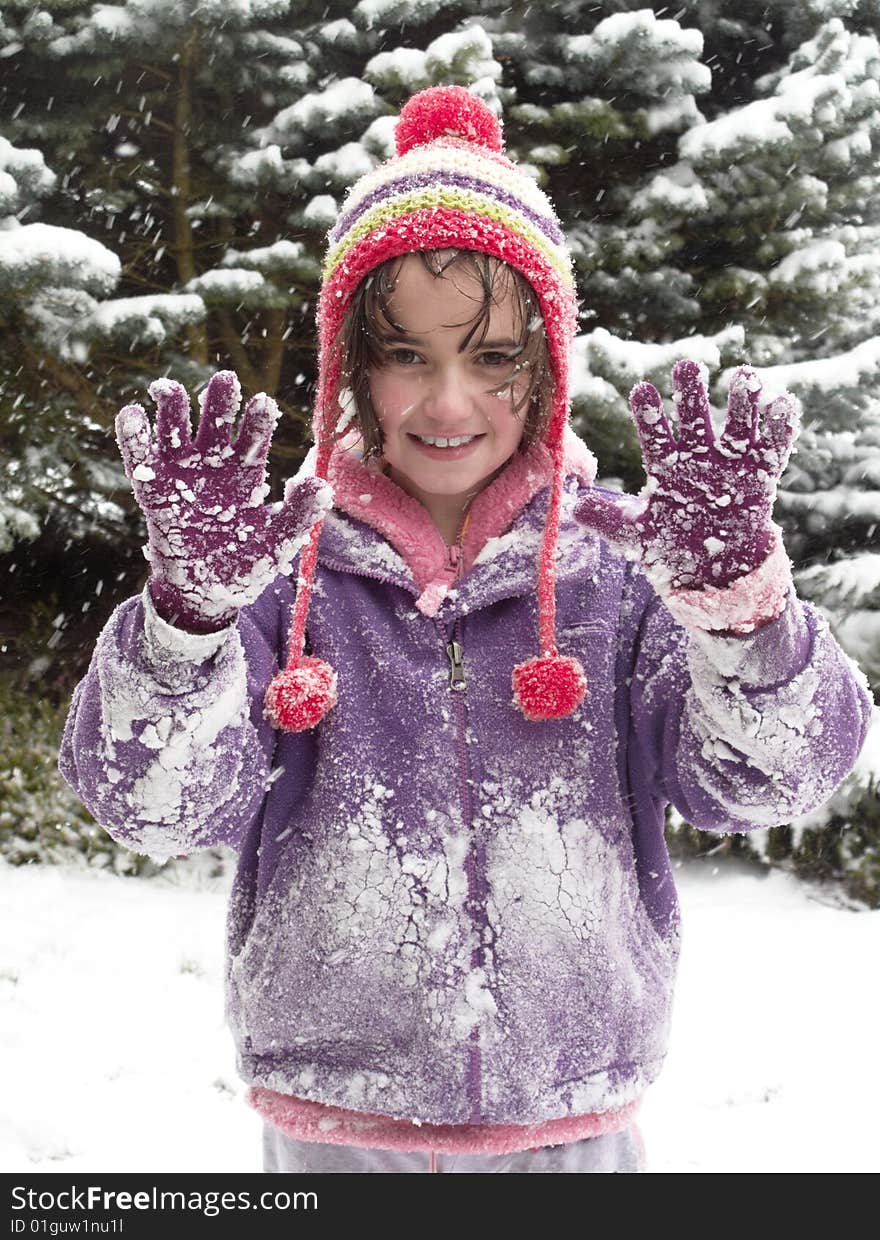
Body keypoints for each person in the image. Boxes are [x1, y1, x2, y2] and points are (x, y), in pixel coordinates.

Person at [58, 85, 872, 1175]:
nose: (447, 404)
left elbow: (765, 784)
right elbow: (155, 808)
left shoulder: (621, 574)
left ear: (549, 363)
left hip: (573, 1119)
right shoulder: (276, 574)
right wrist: (183, 622)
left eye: (491, 357)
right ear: (350, 361)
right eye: (406, 354)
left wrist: (745, 615)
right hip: (335, 1120)